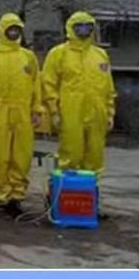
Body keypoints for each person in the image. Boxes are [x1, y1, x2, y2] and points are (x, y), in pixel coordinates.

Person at [0, 13, 43, 218]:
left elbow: (36, 84)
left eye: (17, 29)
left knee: (22, 156)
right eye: (10, 29)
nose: (13, 33)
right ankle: (1, 196)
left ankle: (17, 196)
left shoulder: (28, 57)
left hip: (23, 111)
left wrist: (36, 109)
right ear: (2, 30)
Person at [42, 11, 116, 187]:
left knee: (95, 156)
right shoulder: (58, 54)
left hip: (97, 114)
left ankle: (90, 197)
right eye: (79, 26)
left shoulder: (100, 55)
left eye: (88, 26)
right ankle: (65, 195)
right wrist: (54, 112)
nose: (84, 30)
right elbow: (48, 84)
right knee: (71, 154)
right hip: (70, 113)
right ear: (70, 28)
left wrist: (110, 113)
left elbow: (108, 87)